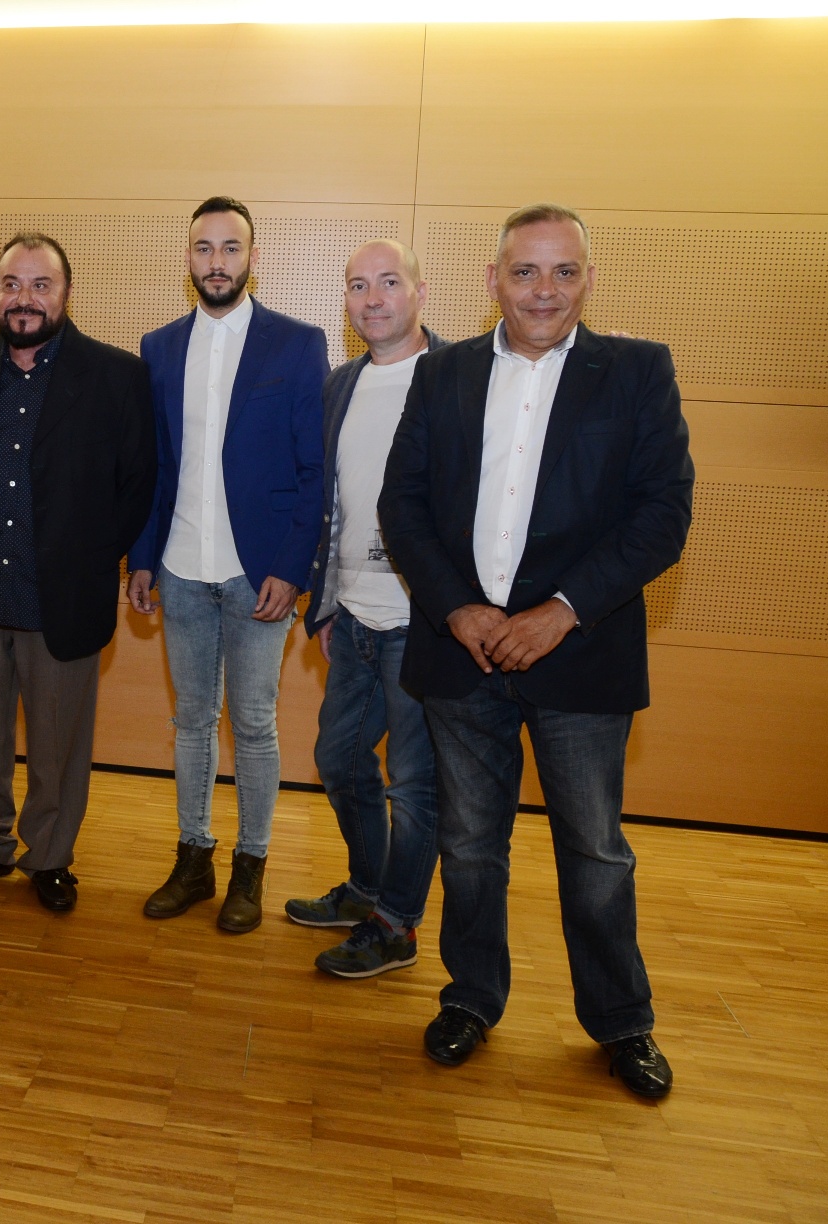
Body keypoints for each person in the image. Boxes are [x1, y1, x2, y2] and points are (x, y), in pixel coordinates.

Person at [378, 203, 693, 1098]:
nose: (544, 291)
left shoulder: (637, 371)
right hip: (463, 656)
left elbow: (663, 514)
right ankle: (471, 999)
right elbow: (402, 504)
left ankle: (621, 1021)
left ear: (589, 279)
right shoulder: (440, 373)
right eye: (525, 271)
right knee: (471, 844)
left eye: (564, 271)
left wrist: (562, 611)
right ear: (494, 281)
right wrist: (456, 610)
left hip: (580, 657)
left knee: (594, 852)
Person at [0, 233, 155, 912]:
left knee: (58, 744)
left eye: (39, 285)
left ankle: (50, 858)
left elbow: (137, 483)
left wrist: (90, 555)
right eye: (11, 284)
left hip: (62, 593)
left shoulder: (116, 374)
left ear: (66, 293)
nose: (23, 299)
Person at [126, 197, 328, 934]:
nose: (217, 262)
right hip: (180, 568)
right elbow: (154, 464)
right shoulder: (158, 346)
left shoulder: (297, 344)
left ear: (252, 258)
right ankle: (193, 858)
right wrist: (141, 557)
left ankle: (252, 864)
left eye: (230, 248)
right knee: (190, 722)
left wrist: (293, 568)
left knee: (255, 724)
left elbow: (314, 470)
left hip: (259, 575)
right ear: (188, 258)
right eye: (204, 248)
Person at [283, 240, 445, 977]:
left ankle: (396, 926)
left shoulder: (457, 376)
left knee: (413, 786)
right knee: (339, 760)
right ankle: (368, 890)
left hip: (425, 623)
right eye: (357, 285)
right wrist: (325, 602)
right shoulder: (340, 385)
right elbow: (331, 500)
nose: (373, 298)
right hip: (351, 619)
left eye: (388, 282)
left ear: (419, 292)